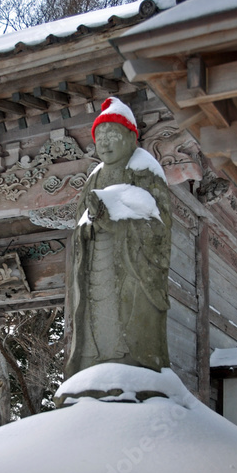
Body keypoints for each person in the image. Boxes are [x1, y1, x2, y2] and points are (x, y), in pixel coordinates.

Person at [65, 97, 172, 378]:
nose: (106, 143)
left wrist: (116, 223)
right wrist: (88, 227)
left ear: (131, 137)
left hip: (130, 269)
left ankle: (133, 370)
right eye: (100, 138)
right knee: (95, 320)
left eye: (113, 136)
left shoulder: (144, 170)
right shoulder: (94, 177)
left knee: (125, 325)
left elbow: (159, 228)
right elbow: (79, 224)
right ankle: (93, 370)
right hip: (96, 265)